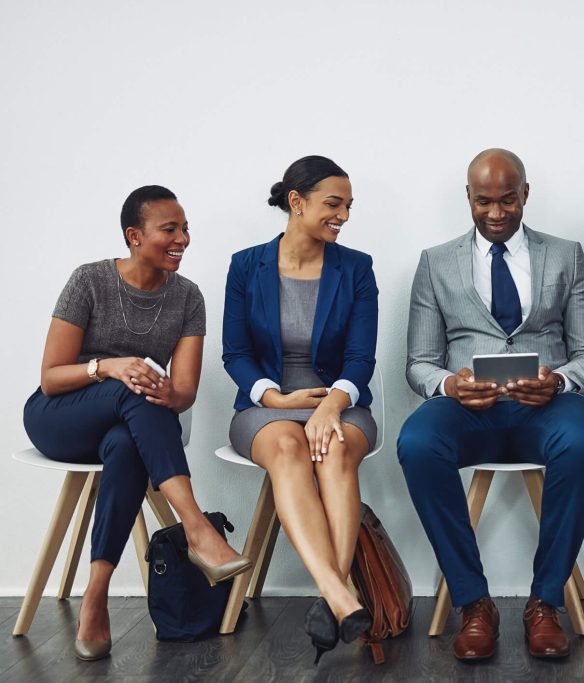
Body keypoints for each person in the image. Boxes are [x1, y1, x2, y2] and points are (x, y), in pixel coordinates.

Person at [23, 186, 251, 662]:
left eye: (185, 229)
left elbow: (183, 392)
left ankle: (95, 597)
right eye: (170, 229)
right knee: (135, 385)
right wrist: (109, 366)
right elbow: (50, 379)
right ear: (134, 235)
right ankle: (197, 530)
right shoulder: (89, 281)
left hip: (125, 425)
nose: (183, 239)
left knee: (130, 440)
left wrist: (168, 392)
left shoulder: (188, 297)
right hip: (60, 417)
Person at [397, 149, 584, 662]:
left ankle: (545, 602)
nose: (495, 213)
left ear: (525, 194)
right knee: (417, 443)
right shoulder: (435, 261)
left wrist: (558, 381)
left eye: (507, 200)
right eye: (483, 201)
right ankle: (473, 603)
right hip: (469, 409)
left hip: (546, 407)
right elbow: (419, 362)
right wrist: (450, 386)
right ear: (467, 198)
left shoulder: (567, 255)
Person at [222, 155, 378, 664]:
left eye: (349, 207)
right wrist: (275, 399)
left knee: (330, 448)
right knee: (289, 445)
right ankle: (339, 596)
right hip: (266, 405)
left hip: (340, 402)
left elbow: (360, 358)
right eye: (334, 205)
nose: (344, 216)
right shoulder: (247, 265)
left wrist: (332, 404)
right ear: (296, 202)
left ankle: (332, 600)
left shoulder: (356, 268)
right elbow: (236, 354)